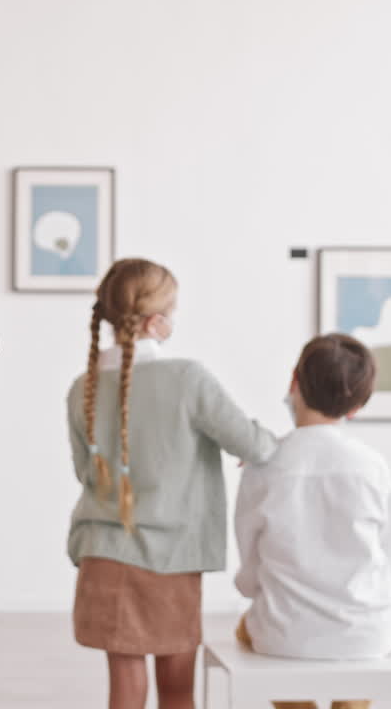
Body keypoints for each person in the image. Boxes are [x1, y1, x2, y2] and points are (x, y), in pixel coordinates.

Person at [67, 258, 277, 709]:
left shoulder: (82, 387)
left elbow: (86, 473)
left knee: (124, 686)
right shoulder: (188, 379)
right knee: (178, 688)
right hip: (169, 559)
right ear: (155, 321)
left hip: (102, 554)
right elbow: (254, 444)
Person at [234, 334, 391, 709]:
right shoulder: (372, 465)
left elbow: (250, 568)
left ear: (293, 381)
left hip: (286, 632)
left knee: (250, 631)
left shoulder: (264, 464)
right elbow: (390, 561)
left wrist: (255, 593)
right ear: (357, 406)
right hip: (363, 633)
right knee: (380, 632)